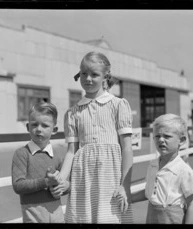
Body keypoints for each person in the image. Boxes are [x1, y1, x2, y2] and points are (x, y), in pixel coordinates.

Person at [49, 51, 134, 223]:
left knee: (110, 217)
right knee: (84, 217)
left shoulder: (118, 105)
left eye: (94, 74)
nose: (88, 79)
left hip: (110, 177)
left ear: (105, 77)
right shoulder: (73, 112)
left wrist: (125, 186)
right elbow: (71, 152)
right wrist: (62, 179)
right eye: (83, 73)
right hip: (83, 178)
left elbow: (127, 148)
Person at [131, 114, 193, 224]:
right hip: (152, 215)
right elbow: (149, 192)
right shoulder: (153, 165)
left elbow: (192, 203)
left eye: (167, 136)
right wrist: (129, 198)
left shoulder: (183, 170)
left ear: (181, 141)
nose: (161, 140)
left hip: (172, 217)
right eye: (157, 136)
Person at [11, 102, 69, 223]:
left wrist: (65, 187)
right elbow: (18, 186)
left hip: (56, 213)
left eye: (45, 125)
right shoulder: (21, 154)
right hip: (32, 213)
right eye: (34, 125)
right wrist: (46, 182)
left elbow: (68, 183)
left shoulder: (58, 155)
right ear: (28, 127)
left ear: (54, 130)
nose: (38, 129)